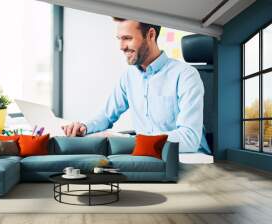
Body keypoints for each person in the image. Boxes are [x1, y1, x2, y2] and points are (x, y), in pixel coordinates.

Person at [61, 17, 210, 153]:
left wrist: (137, 142)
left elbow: (189, 139)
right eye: (119, 39)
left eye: (127, 38)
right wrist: (84, 127)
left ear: (151, 35)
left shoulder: (185, 75)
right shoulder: (129, 76)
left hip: (190, 160)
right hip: (148, 157)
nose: (121, 46)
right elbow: (106, 116)